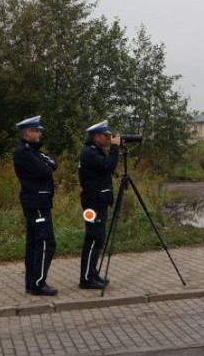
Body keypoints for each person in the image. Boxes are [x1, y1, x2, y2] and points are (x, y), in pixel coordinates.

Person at [13, 115, 59, 296]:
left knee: (34, 242)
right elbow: (46, 169)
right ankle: (38, 283)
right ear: (27, 132)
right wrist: (48, 164)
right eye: (36, 130)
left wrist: (48, 162)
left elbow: (53, 161)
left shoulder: (34, 151)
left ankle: (32, 283)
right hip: (36, 201)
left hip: (39, 200)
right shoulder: (24, 152)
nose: (39, 134)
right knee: (46, 242)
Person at [78, 120, 121, 289]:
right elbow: (106, 165)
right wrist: (115, 148)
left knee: (98, 238)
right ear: (97, 136)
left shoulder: (95, 151)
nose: (108, 139)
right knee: (93, 238)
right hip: (92, 203)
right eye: (106, 136)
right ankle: (86, 279)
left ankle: (92, 273)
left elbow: (105, 168)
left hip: (97, 201)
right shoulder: (89, 152)